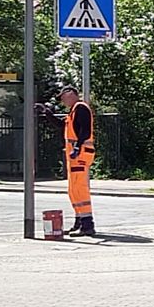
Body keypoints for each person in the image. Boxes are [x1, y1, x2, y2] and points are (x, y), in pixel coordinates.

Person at [48, 86, 96, 237]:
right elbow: (64, 127)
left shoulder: (81, 108)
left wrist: (76, 147)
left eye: (63, 97)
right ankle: (80, 220)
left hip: (80, 156)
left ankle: (87, 224)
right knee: (73, 190)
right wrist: (48, 114)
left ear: (70, 94)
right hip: (75, 156)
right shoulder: (74, 111)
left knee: (79, 188)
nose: (62, 101)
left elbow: (85, 131)